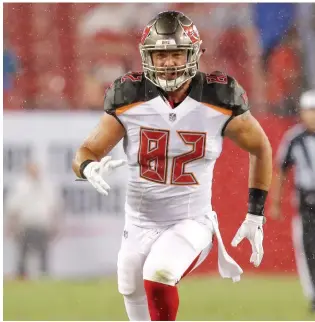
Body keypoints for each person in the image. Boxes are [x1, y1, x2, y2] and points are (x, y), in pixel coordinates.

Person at [72, 11, 272, 321]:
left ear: (193, 54)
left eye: (175, 53)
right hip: (138, 222)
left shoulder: (219, 97)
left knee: (159, 272)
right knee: (129, 281)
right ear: (145, 56)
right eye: (160, 54)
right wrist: (87, 167)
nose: (167, 62)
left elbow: (260, 147)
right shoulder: (129, 96)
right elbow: (87, 150)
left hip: (191, 220)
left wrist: (255, 213)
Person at [270, 89, 315, 313]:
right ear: (301, 113)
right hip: (307, 203)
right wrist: (275, 202)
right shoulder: (294, 138)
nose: (312, 116)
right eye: (309, 111)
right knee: (308, 249)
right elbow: (281, 170)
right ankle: (313, 295)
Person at [5, 162, 62, 279]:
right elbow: (13, 208)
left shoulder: (47, 186)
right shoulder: (20, 186)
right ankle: (21, 277)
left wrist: (56, 225)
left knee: (43, 254)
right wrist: (11, 226)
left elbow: (54, 207)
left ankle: (44, 276)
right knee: (22, 254)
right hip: (25, 225)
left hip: (41, 225)